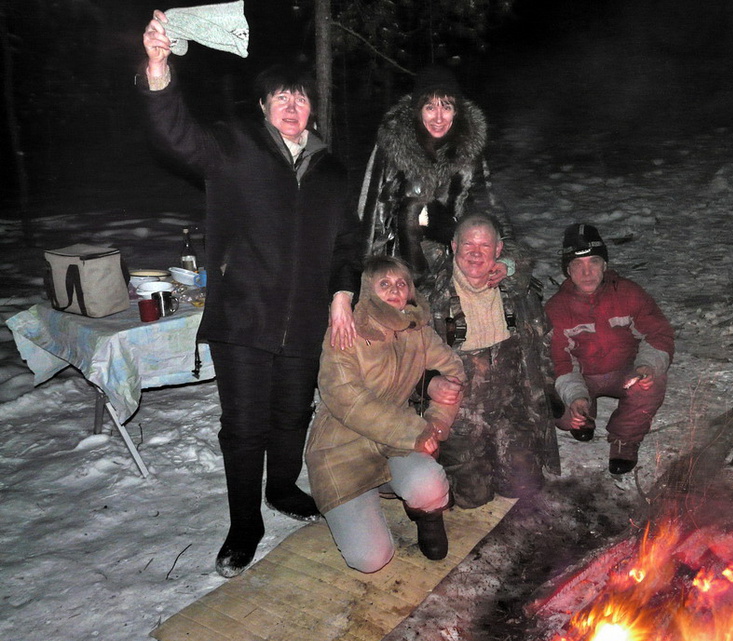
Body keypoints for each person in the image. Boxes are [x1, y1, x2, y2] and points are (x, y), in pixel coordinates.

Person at [141, 11, 362, 578]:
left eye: (301, 98)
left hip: (307, 320)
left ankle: (283, 490)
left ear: (313, 108)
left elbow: (347, 243)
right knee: (244, 427)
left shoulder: (332, 172)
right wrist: (160, 69)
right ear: (264, 106)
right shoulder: (232, 148)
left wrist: (342, 293)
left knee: (292, 415)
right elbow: (175, 135)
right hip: (242, 319)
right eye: (280, 98)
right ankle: (245, 525)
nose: (292, 107)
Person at [305, 256, 466, 572]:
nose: (395, 289)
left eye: (401, 283)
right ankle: (366, 494)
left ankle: (426, 513)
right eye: (385, 284)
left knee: (430, 484)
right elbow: (346, 398)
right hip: (341, 448)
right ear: (367, 290)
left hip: (393, 441)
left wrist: (437, 420)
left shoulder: (415, 328)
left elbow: (454, 369)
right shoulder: (347, 329)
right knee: (371, 559)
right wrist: (414, 432)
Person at [428, 213, 560, 509]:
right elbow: (405, 359)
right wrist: (427, 385)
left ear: (499, 250)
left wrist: (549, 388)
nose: (475, 253)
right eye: (467, 244)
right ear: (453, 246)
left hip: (507, 408)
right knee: (472, 498)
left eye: (485, 245)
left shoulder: (516, 292)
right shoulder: (432, 293)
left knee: (524, 486)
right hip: (459, 416)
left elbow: (541, 344)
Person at [357, 65, 511, 287]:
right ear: (418, 111)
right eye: (430, 107)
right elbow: (370, 215)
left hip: (455, 266)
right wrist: (368, 272)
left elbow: (491, 210)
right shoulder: (392, 147)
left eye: (446, 107)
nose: (438, 117)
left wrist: (506, 258)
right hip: (398, 272)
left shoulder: (468, 152)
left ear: (456, 111)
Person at [545, 223, 675, 475]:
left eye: (593, 262)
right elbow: (560, 361)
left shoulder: (628, 293)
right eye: (577, 266)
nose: (587, 272)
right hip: (584, 375)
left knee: (651, 384)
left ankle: (624, 440)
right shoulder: (557, 309)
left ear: (604, 265)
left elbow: (659, 333)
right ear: (567, 272)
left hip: (626, 370)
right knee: (562, 413)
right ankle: (584, 414)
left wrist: (646, 365)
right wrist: (575, 397)